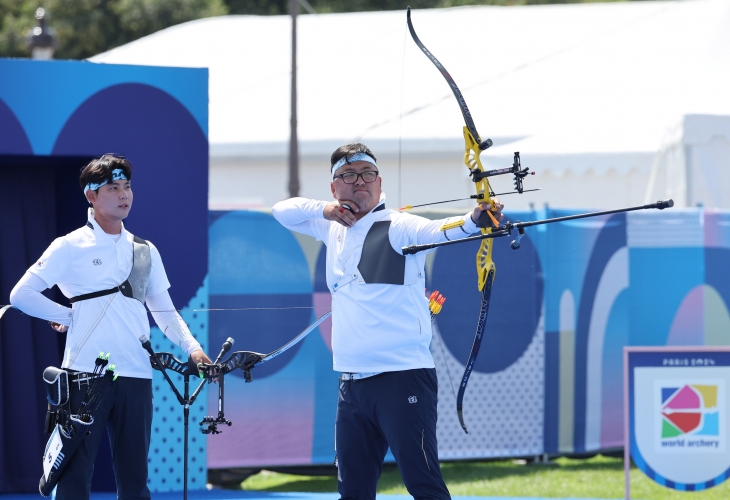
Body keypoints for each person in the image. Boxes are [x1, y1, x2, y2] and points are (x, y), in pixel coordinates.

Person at [272, 143, 504, 500]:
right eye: (348, 175)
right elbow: (281, 210)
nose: (359, 180)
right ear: (335, 188)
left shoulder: (398, 226)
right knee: (353, 492)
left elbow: (441, 230)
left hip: (402, 378)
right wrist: (327, 210)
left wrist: (475, 220)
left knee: (423, 485)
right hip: (353, 384)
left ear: (380, 183)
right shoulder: (330, 226)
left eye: (367, 174)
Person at [9, 154, 212, 500]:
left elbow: (164, 312)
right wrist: (69, 313)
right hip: (83, 376)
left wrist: (193, 348)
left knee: (135, 482)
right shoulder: (69, 245)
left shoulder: (145, 251)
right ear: (91, 196)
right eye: (113, 187)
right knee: (74, 480)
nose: (124, 194)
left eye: (127, 186)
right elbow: (21, 294)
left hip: (136, 376)